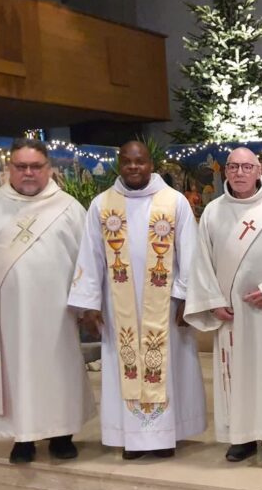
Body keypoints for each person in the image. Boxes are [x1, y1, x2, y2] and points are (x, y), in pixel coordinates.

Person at [0, 138, 93, 463]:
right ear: (8, 168)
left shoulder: (68, 209)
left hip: (57, 314)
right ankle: (21, 439)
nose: (28, 173)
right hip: (5, 316)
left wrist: (89, 304)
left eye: (35, 166)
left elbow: (88, 261)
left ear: (48, 168)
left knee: (58, 372)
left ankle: (61, 435)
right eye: (21, 166)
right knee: (14, 374)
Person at [69, 140, 206, 459]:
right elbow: (89, 255)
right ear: (119, 163)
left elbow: (191, 252)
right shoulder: (102, 205)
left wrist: (186, 296)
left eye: (140, 161)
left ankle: (165, 435)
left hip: (167, 304)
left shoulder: (174, 202)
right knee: (125, 365)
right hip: (120, 307)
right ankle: (133, 438)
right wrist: (88, 303)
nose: (133, 167)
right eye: (127, 161)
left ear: (151, 164)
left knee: (168, 365)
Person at [184, 147, 262, 463]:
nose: (239, 173)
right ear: (225, 171)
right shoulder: (213, 212)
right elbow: (201, 263)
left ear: (258, 169)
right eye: (233, 166)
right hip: (231, 313)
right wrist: (213, 302)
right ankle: (241, 437)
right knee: (234, 375)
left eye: (246, 167)